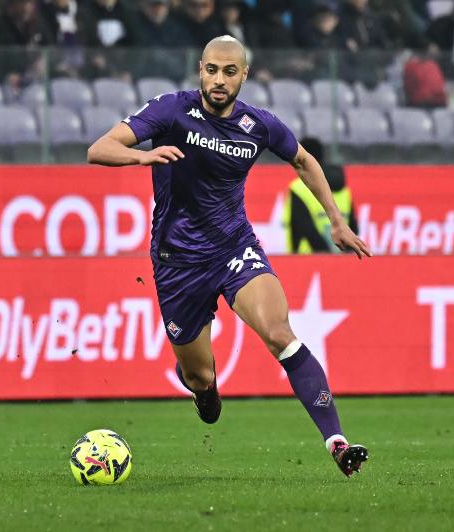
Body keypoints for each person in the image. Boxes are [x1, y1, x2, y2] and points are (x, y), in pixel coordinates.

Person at [87, 36, 370, 477]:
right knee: (199, 377)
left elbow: (304, 161)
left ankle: (337, 443)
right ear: (200, 69)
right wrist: (141, 159)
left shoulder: (258, 125)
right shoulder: (170, 110)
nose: (219, 80)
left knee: (279, 333)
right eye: (212, 70)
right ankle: (205, 390)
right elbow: (98, 148)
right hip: (177, 264)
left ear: (244, 75)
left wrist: (335, 220)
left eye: (229, 72)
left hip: (234, 249)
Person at [283, 137, 358, 254]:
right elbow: (353, 227)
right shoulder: (344, 189)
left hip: (308, 258)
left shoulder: (298, 188)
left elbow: (303, 227)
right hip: (342, 259)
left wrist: (325, 255)